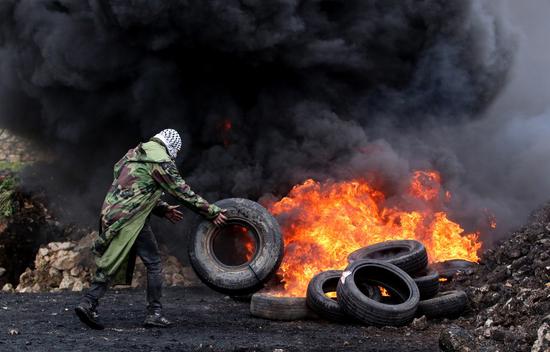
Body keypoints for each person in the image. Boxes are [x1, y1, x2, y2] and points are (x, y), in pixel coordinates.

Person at [75, 129, 227, 329]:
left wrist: (162, 209)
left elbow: (136, 189)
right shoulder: (161, 161)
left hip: (111, 214)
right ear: (171, 146)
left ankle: (89, 303)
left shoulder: (134, 155)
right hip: (130, 219)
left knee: (113, 259)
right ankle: (153, 313)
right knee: (153, 263)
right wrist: (212, 212)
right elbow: (183, 193)